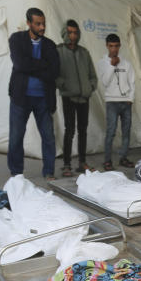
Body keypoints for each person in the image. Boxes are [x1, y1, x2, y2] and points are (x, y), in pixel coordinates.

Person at [8, 7, 61, 181]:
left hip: (44, 99)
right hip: (20, 97)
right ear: (28, 23)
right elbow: (20, 64)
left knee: (48, 137)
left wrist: (31, 66)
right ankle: (16, 173)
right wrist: (43, 65)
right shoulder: (16, 39)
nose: (42, 27)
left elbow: (54, 72)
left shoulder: (50, 45)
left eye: (43, 23)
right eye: (38, 24)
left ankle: (49, 171)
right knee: (16, 137)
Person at [56, 19, 97, 177]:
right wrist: (63, 85)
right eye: (70, 32)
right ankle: (67, 164)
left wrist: (91, 87)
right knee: (69, 130)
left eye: (75, 33)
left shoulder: (84, 52)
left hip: (84, 98)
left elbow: (92, 75)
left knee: (83, 130)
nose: (73, 36)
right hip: (69, 97)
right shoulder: (58, 51)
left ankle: (82, 162)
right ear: (65, 33)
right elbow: (55, 74)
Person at [96, 33, 135, 171]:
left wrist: (130, 99)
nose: (114, 49)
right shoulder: (102, 62)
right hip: (111, 101)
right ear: (107, 46)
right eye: (111, 46)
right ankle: (107, 160)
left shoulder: (127, 63)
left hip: (126, 102)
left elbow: (132, 82)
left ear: (120, 46)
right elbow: (105, 82)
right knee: (111, 131)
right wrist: (112, 66)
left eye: (116, 46)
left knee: (126, 131)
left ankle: (123, 157)